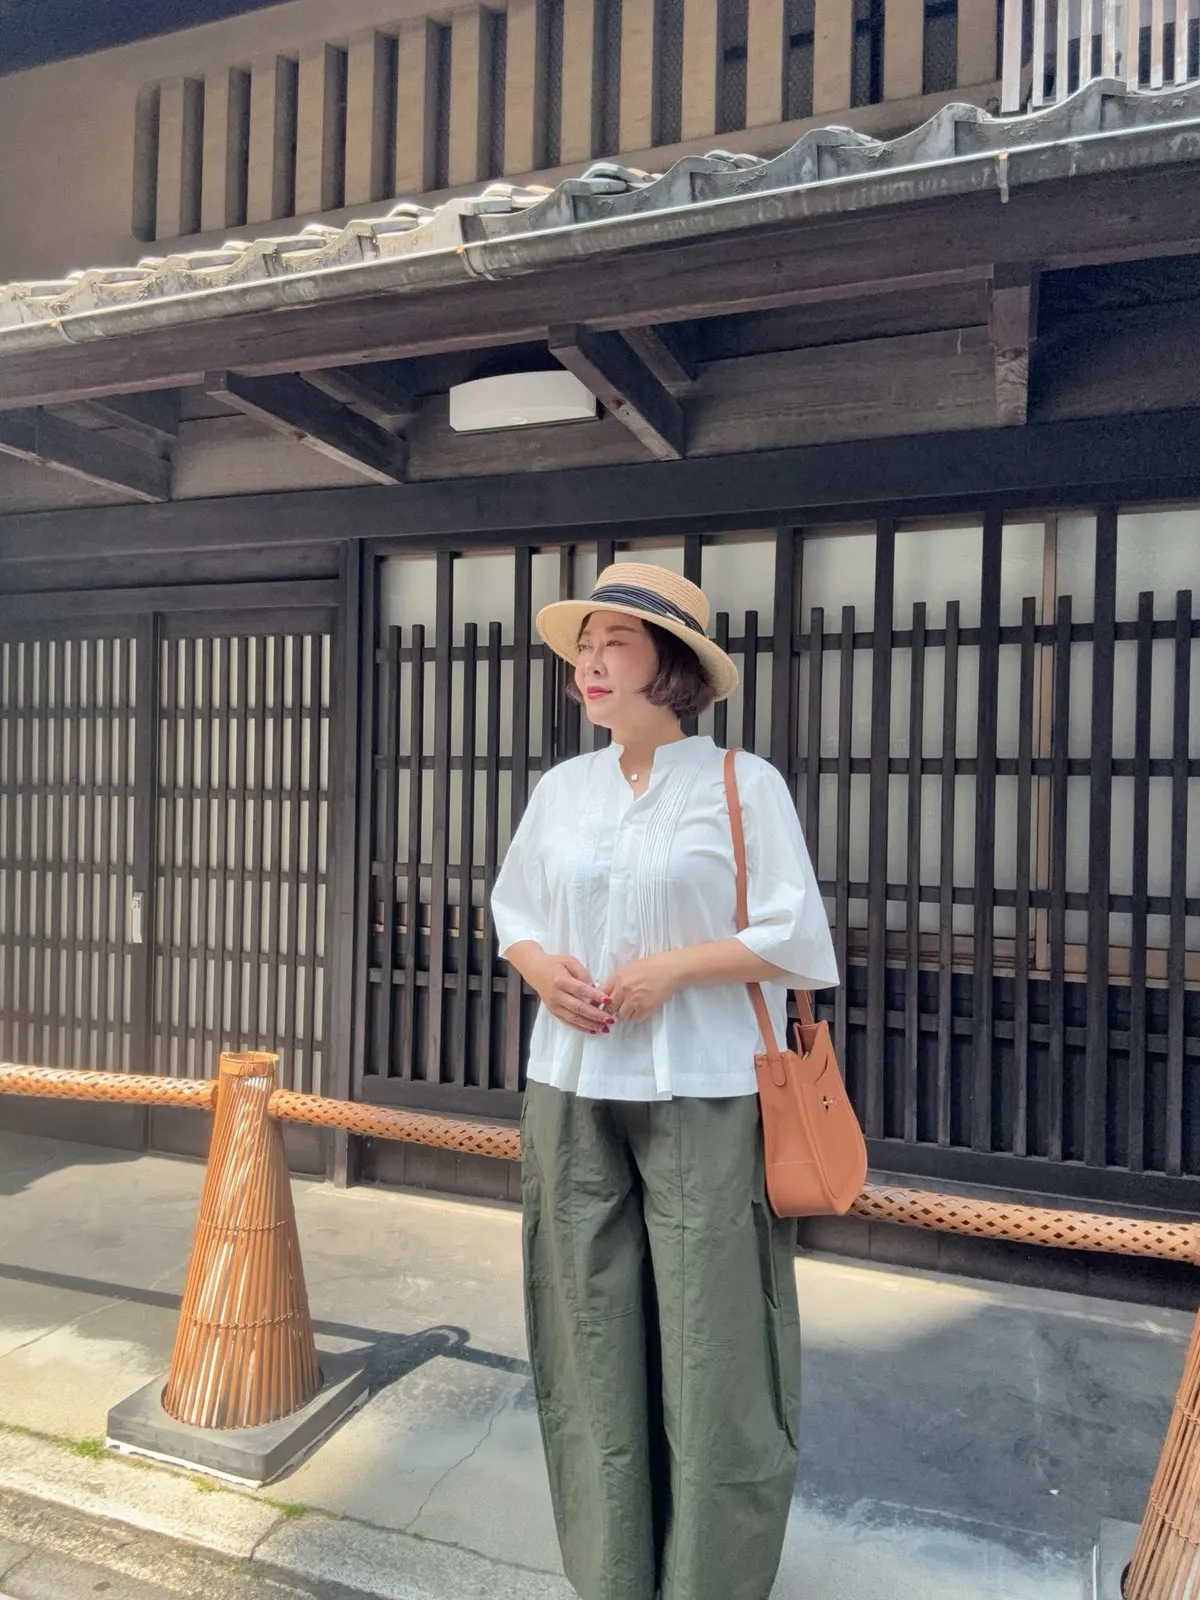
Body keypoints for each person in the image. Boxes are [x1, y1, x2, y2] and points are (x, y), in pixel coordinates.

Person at [490, 562, 838, 1600]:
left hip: (708, 1089)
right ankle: (612, 1577)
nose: (591, 663)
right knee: (589, 1335)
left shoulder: (743, 782)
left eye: (618, 643)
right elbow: (514, 911)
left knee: (714, 1347)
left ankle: (707, 1583)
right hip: (570, 1085)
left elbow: (794, 934)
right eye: (584, 645)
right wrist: (541, 970)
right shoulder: (562, 790)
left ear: (672, 665)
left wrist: (673, 970)